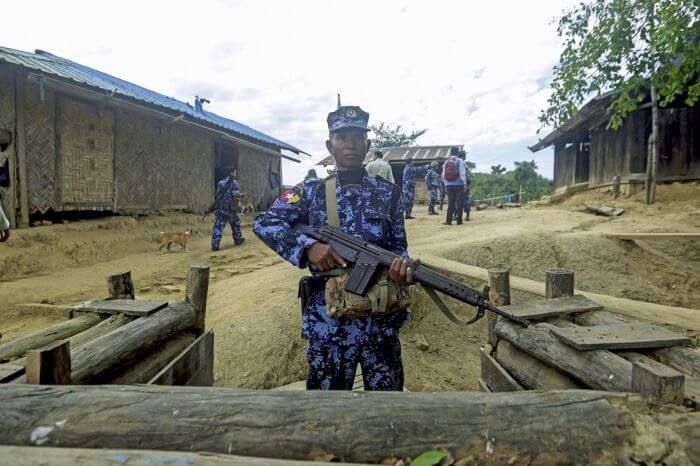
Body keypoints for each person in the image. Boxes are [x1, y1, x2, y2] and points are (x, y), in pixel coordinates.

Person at [253, 105, 413, 391]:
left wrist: (403, 268)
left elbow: (399, 248)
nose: (350, 143)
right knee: (325, 411)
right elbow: (265, 222)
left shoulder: (389, 194)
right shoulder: (310, 191)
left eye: (356, 136)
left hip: (381, 323)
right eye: (342, 137)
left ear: (368, 144)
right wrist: (307, 247)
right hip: (329, 324)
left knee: (388, 409)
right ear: (330, 145)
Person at [211, 168, 245, 250]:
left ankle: (215, 244)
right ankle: (238, 239)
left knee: (218, 225)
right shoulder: (234, 182)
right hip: (230, 208)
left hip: (221, 207)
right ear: (232, 173)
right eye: (235, 172)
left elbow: (218, 195)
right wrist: (241, 196)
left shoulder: (220, 182)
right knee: (236, 223)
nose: (236, 173)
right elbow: (236, 195)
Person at [442, 147, 467, 225]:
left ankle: (448, 221)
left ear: (451, 153)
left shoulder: (446, 161)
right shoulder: (460, 161)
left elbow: (443, 175)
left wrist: (445, 184)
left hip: (449, 185)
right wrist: (465, 184)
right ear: (457, 153)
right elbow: (462, 173)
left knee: (451, 203)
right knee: (459, 203)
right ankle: (459, 221)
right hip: (459, 185)